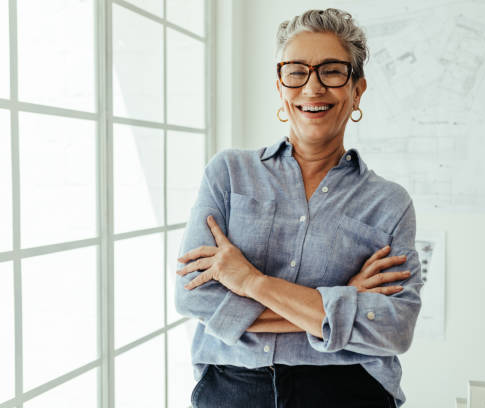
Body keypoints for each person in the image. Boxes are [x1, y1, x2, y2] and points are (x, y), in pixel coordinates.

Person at [175, 8, 423, 408]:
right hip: (233, 388)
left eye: (332, 71)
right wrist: (343, 301)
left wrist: (251, 282)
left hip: (348, 390)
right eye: (297, 71)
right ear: (280, 86)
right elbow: (195, 299)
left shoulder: (389, 204)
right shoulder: (228, 175)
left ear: (357, 90)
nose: (313, 87)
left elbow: (394, 329)